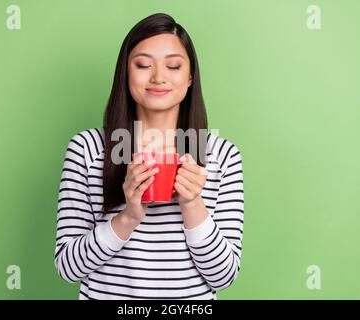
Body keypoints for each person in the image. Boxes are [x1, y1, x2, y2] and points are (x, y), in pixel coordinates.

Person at [54, 13, 244, 300]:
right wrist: (128, 216)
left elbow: (224, 275)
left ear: (190, 77)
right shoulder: (88, 149)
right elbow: (68, 267)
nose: (158, 77)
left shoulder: (222, 156)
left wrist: (192, 204)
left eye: (173, 66)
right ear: (125, 74)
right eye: (143, 65)